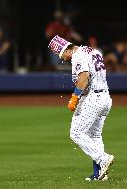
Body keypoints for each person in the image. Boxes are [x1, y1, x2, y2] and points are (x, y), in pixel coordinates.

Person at [48, 35, 114, 181]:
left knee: (76, 133)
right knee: (94, 136)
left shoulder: (78, 56)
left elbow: (84, 76)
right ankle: (99, 174)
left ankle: (103, 159)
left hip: (93, 98)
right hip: (105, 98)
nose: (63, 59)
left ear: (66, 50)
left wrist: (75, 97)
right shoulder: (93, 51)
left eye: (62, 55)